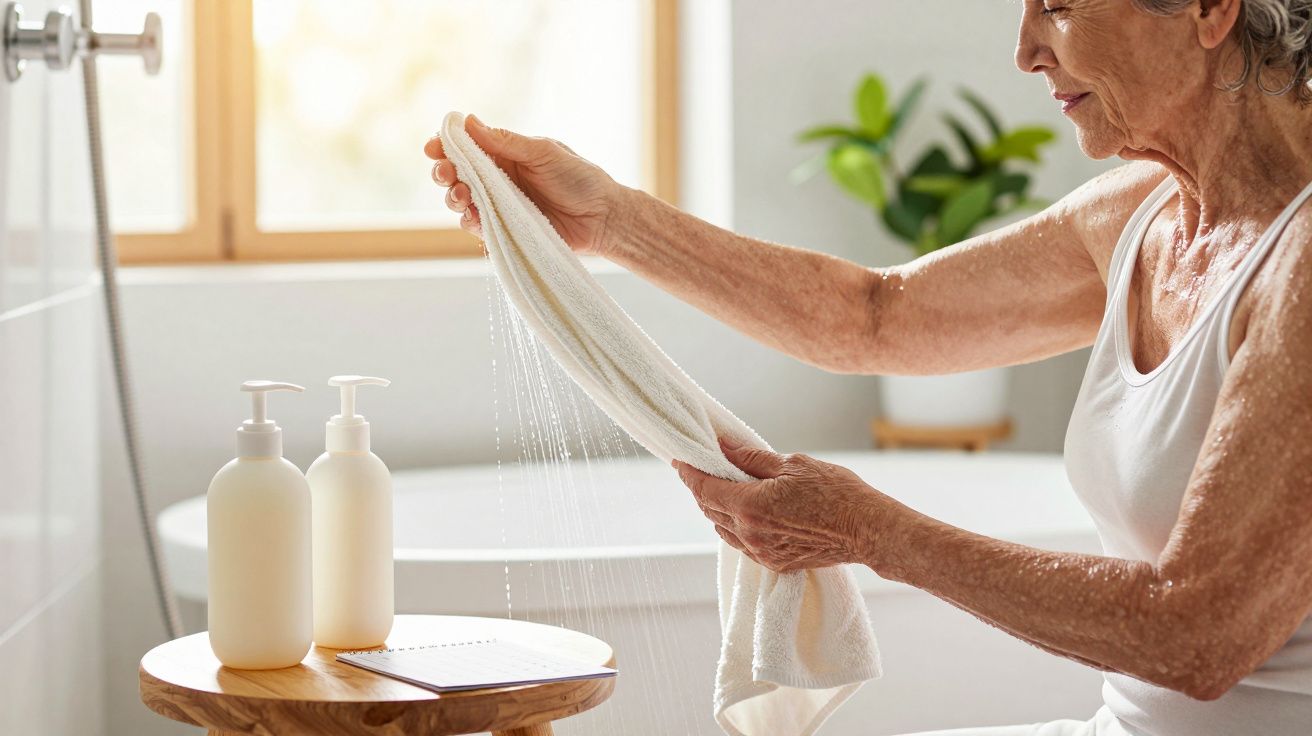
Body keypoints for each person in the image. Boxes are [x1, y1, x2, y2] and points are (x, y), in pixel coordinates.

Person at [425, 1, 1312, 733]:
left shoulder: (1301, 260)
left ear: (1207, 8)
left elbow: (1197, 634)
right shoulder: (1145, 212)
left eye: (1063, 6)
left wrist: (873, 533)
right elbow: (874, 316)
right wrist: (611, 221)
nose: (1025, 48)